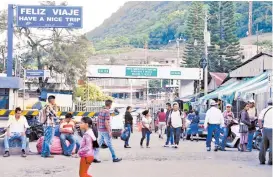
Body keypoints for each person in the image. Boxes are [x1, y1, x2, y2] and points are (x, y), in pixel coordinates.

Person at [258, 99, 272, 165]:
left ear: (267, 103)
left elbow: (260, 120)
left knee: (263, 146)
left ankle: (262, 160)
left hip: (265, 129)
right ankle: (271, 161)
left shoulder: (264, 110)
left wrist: (261, 128)